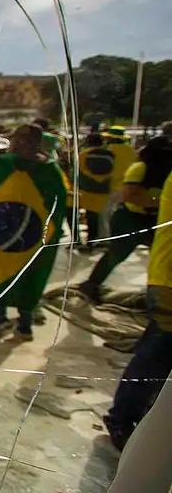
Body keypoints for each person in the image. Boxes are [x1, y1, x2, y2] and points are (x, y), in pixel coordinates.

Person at [0, 124, 67, 343]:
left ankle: (0, 319)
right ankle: (24, 325)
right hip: (33, 239)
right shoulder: (50, 170)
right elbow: (58, 203)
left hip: (0, 236)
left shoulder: (1, 165)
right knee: (28, 277)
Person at [102, 168, 172, 451]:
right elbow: (135, 195)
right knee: (156, 355)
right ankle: (122, 419)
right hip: (168, 281)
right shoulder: (141, 169)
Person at [76, 136, 171, 302]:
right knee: (116, 254)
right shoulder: (141, 168)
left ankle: (157, 294)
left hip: (153, 220)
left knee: (161, 259)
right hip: (130, 219)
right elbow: (130, 195)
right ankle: (90, 285)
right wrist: (161, 202)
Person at [76, 133, 114, 249]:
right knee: (101, 217)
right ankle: (99, 239)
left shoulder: (83, 155)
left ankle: (89, 242)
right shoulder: (111, 155)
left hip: (88, 190)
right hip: (104, 190)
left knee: (90, 216)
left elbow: (79, 172)